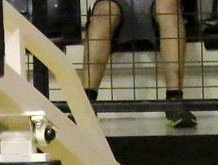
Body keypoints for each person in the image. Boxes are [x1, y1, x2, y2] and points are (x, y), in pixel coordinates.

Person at [80, 0, 196, 129]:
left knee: (168, 5)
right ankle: (86, 104)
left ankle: (174, 101)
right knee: (103, 12)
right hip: (116, 5)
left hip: (157, 7)